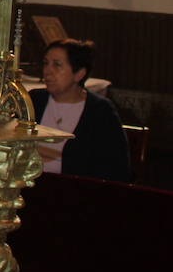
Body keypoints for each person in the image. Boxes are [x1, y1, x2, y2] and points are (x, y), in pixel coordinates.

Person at [30, 39, 130, 182]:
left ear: (79, 74)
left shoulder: (100, 110)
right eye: (46, 63)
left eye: (57, 65)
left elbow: (115, 168)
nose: (47, 71)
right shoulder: (34, 100)